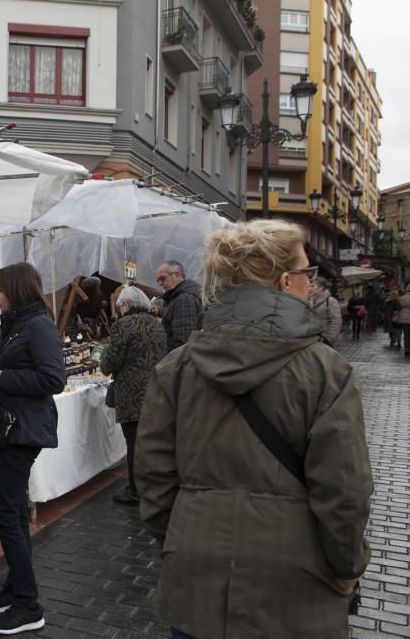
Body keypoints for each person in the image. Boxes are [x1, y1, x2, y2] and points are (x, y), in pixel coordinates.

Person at [136, 219, 373, 638]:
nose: (310, 283)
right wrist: (348, 568)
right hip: (295, 591)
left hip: (195, 581)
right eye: (306, 273)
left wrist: (184, 538)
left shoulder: (176, 367)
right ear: (286, 282)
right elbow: (344, 492)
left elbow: (154, 481)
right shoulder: (327, 372)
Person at [0, 262, 65, 635]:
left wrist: (3, 377)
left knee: (4, 516)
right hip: (11, 430)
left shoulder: (38, 326)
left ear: (16, 289)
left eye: (0, 290)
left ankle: (29, 605)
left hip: (23, 432)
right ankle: (14, 590)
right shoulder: (16, 326)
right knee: (9, 514)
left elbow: (53, 378)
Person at [98, 286, 166, 505]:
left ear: (125, 305)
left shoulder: (122, 325)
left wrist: (103, 357)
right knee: (150, 442)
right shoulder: (156, 324)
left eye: (120, 306)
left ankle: (136, 491)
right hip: (156, 391)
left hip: (132, 394)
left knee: (134, 443)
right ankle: (152, 486)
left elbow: (109, 364)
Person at [155, 260, 202, 353]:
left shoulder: (184, 299)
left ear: (176, 275)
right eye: (158, 280)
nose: (160, 283)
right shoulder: (181, 297)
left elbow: (183, 343)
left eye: (163, 278)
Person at [309, 277, 342, 346]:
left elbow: (336, 321)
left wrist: (328, 339)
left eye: (312, 286)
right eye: (309, 286)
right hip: (313, 341)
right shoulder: (309, 302)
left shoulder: (331, 301)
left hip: (326, 340)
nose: (310, 288)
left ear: (321, 288)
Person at [397, 286, 410, 358]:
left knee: (406, 334)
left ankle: (406, 348)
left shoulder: (402, 298)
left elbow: (399, 308)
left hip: (404, 318)